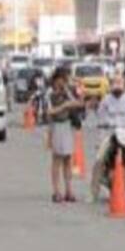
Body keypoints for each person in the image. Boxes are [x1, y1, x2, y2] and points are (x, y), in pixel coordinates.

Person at [89, 74, 125, 202]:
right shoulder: (106, 99)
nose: (117, 92)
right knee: (99, 159)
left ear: (124, 87)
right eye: (115, 89)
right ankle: (94, 193)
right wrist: (102, 123)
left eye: (119, 89)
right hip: (110, 133)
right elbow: (100, 115)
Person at [45, 67, 84, 203]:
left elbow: (79, 103)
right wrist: (64, 106)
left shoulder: (67, 91)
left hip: (67, 125)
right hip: (56, 127)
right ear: (56, 79)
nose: (63, 82)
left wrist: (78, 95)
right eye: (62, 79)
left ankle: (69, 190)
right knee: (57, 160)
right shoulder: (50, 93)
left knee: (68, 159)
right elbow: (49, 112)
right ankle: (56, 191)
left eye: (65, 80)